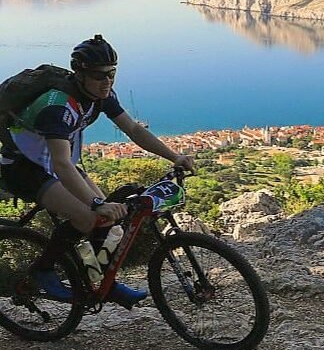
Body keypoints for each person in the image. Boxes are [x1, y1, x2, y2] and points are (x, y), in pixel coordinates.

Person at [0, 34, 195, 306]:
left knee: (108, 219)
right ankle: (43, 270)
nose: (107, 82)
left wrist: (174, 157)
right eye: (99, 76)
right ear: (80, 74)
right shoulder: (58, 107)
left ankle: (103, 283)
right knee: (89, 217)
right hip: (25, 168)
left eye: (111, 74)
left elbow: (134, 129)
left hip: (53, 163)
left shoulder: (99, 95)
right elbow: (61, 164)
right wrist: (95, 203)